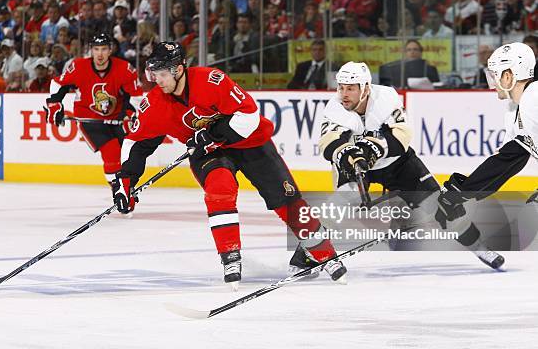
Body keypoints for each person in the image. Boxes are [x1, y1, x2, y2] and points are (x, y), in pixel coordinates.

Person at [112, 42, 347, 289]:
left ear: (179, 69)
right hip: (208, 154)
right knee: (219, 189)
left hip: (250, 142)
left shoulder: (211, 81)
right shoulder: (155, 104)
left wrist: (213, 133)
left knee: (287, 198)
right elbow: (136, 143)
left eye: (162, 74)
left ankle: (325, 253)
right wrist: (125, 180)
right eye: (154, 74)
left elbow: (248, 115)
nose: (157, 80)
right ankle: (230, 257)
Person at [318, 61, 505, 269]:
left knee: (443, 207)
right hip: (357, 167)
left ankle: (479, 248)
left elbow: (402, 136)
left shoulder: (386, 98)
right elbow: (328, 142)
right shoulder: (335, 106)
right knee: (337, 206)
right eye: (341, 87)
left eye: (351, 88)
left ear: (365, 88)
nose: (344, 94)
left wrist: (375, 148)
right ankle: (309, 252)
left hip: (398, 164)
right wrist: (348, 154)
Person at [436, 42, 537, 268]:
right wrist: (461, 191)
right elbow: (507, 160)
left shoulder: (534, 99)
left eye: (495, 75)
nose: (492, 83)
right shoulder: (514, 110)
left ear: (510, 76)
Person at [44, 33, 143, 188]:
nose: (100, 54)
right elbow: (58, 84)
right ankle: (118, 190)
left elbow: (135, 96)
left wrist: (130, 114)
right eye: (96, 49)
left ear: (110, 50)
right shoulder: (78, 66)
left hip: (117, 118)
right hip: (89, 119)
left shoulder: (125, 69)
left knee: (128, 155)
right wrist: (54, 104)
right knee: (111, 151)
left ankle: (126, 187)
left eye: (104, 49)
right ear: (91, 50)